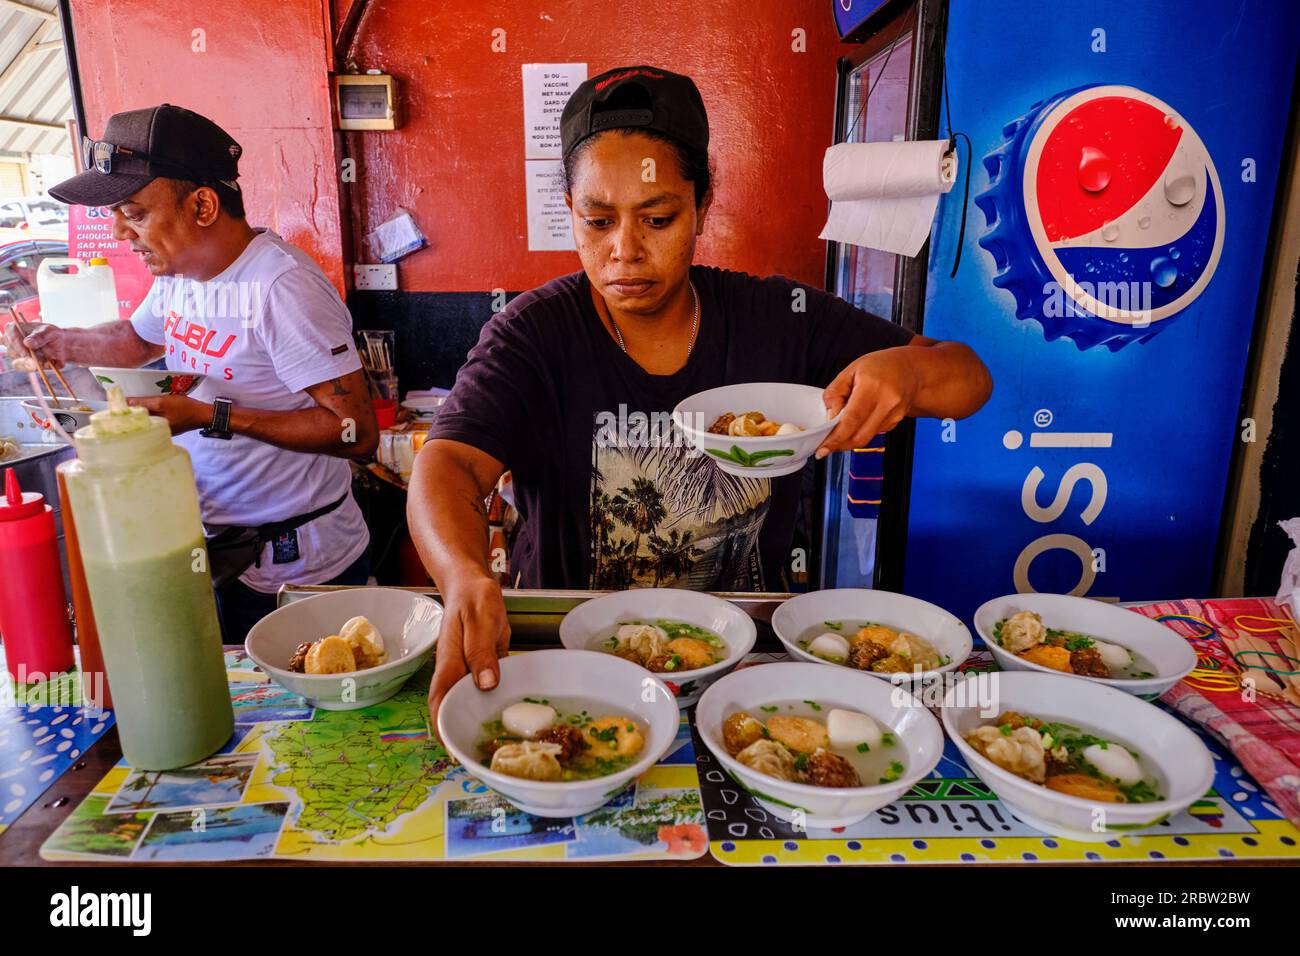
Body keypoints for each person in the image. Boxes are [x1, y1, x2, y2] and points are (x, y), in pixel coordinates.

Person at [409, 66, 993, 721]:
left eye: (657, 218)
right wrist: (463, 575)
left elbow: (967, 379)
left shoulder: (780, 317)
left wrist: (907, 373)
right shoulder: (532, 335)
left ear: (701, 207)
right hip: (570, 663)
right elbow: (450, 463)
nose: (625, 252)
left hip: (741, 666)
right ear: (570, 212)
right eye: (597, 221)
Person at [3, 104, 378, 641]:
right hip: (217, 545)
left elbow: (357, 434)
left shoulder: (280, 286)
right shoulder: (182, 272)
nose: (119, 233)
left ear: (202, 204)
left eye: (133, 213)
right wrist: (59, 341)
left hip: (300, 564)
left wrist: (207, 416)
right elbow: (137, 340)